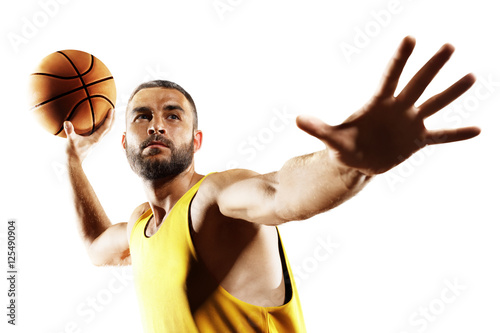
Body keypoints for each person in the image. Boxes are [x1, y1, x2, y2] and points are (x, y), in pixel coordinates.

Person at [64, 36, 480, 332]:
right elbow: (96, 244)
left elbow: (280, 193)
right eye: (142, 116)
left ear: (197, 139)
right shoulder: (140, 228)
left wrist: (350, 165)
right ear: (124, 142)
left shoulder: (214, 199)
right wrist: (73, 160)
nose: (156, 124)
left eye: (173, 115)